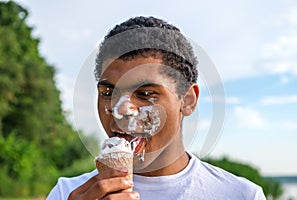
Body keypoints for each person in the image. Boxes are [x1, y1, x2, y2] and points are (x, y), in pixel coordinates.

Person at [47, 16, 266, 200]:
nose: (121, 108)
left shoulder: (240, 195)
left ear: (187, 100)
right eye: (108, 93)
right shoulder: (67, 193)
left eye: (145, 94)